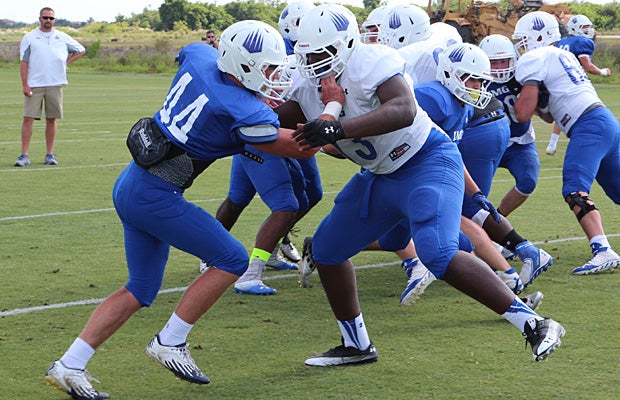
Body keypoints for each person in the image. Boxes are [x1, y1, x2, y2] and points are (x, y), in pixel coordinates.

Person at [44, 20, 322, 400]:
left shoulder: (202, 57)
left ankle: (69, 364)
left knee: (140, 288)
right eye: (269, 69)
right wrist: (335, 112)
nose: (275, 77)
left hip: (131, 185)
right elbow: (300, 146)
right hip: (156, 196)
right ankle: (170, 342)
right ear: (242, 65)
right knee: (231, 258)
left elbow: (188, 52)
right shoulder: (240, 107)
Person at [282, 4, 564, 366]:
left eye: (323, 52)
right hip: (381, 175)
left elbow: (402, 108)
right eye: (307, 54)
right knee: (326, 250)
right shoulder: (303, 84)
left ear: (347, 43)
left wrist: (338, 127)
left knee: (437, 252)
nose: (314, 62)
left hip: (425, 160)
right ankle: (357, 345)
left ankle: (536, 324)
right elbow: (281, 126)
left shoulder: (370, 61)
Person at [513, 11, 620, 275]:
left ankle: (602, 250)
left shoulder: (535, 57)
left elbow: (523, 114)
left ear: (537, 36)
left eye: (524, 40)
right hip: (605, 120)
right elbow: (551, 111)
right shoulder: (563, 54)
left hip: (588, 126)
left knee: (574, 189)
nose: (521, 46)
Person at [479, 34, 542, 219]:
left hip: (519, 142)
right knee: (476, 192)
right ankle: (473, 231)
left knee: (528, 181)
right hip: (487, 145)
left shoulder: (523, 76)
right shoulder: (475, 80)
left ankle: (497, 222)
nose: (500, 68)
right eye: (494, 63)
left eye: (504, 61)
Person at [15, 7, 85, 167]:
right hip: (35, 84)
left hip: (55, 83)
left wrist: (66, 62)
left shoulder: (61, 37)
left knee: (51, 119)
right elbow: (24, 62)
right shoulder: (30, 37)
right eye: (45, 17)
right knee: (28, 118)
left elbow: (81, 50)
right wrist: (25, 84)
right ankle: (24, 155)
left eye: (51, 18)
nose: (48, 20)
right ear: (40, 19)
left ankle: (49, 154)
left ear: (54, 20)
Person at [545, 14, 612, 156]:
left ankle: (552, 144)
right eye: (584, 27)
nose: (588, 30)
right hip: (575, 83)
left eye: (588, 27)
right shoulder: (582, 42)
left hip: (558, 82)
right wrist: (603, 72)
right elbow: (587, 66)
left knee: (563, 113)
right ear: (575, 28)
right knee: (594, 111)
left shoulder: (563, 41)